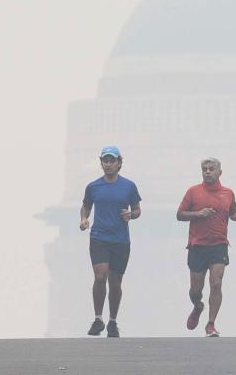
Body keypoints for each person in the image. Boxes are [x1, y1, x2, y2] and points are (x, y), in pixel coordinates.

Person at [176, 157, 236, 337]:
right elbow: (180, 215)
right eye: (204, 169)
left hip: (219, 245)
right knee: (195, 291)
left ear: (219, 172)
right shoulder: (193, 192)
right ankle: (198, 306)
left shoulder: (228, 193)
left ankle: (211, 324)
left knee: (216, 283)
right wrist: (198, 214)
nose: (207, 172)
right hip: (197, 245)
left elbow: (234, 211)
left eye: (211, 169)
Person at [79, 145, 141, 338]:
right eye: (105, 160)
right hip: (99, 237)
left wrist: (131, 214)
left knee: (115, 282)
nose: (108, 164)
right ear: (101, 163)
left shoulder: (128, 186)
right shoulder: (93, 186)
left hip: (120, 240)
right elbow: (86, 206)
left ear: (119, 162)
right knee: (100, 276)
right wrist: (83, 219)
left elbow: (137, 210)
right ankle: (98, 319)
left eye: (112, 160)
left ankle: (112, 321)